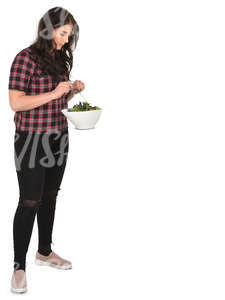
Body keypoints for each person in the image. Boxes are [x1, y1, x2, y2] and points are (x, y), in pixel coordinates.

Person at [8, 7, 84, 294]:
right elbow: (16, 103)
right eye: (63, 33)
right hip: (30, 140)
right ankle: (18, 266)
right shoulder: (24, 58)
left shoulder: (58, 59)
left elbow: (55, 100)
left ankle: (44, 252)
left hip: (58, 138)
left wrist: (72, 90)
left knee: (50, 195)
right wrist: (54, 93)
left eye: (69, 35)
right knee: (29, 201)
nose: (66, 40)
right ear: (49, 28)